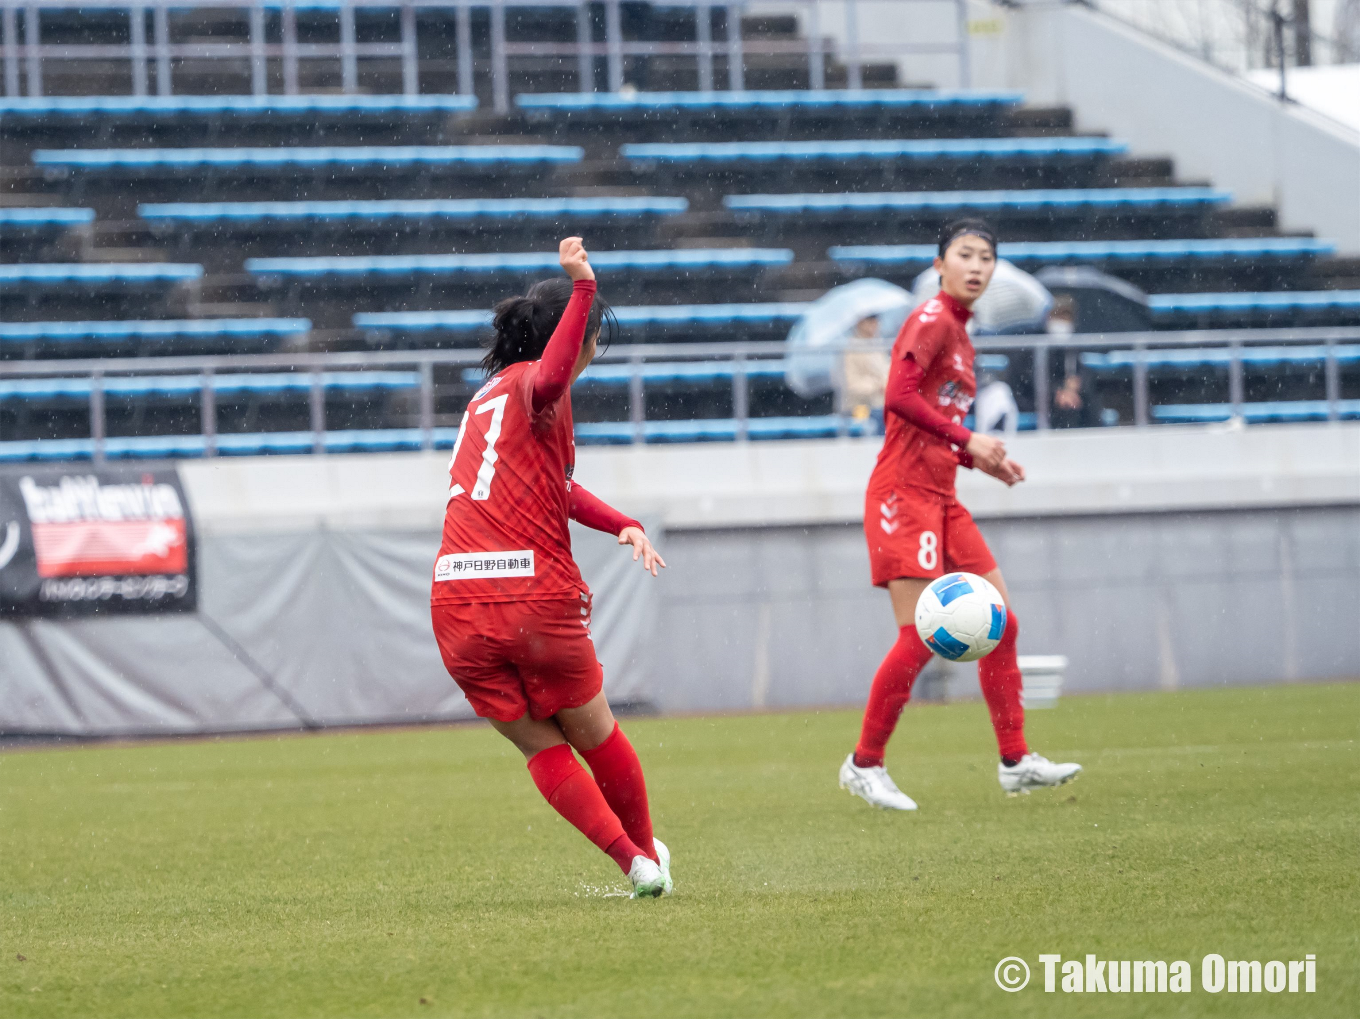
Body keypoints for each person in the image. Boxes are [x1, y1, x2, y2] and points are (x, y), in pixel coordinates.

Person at [430, 237, 673, 897]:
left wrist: (621, 520)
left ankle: (635, 862)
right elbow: (555, 373)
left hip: (454, 603)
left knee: (541, 747)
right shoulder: (542, 388)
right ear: (581, 336)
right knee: (595, 732)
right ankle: (648, 849)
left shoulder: (488, 399)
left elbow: (554, 490)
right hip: (529, 594)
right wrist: (585, 288)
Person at [839, 219, 1082, 810]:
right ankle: (863, 764)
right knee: (918, 637)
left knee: (1003, 624)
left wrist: (977, 461)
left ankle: (1015, 759)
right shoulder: (930, 319)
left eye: (986, 257)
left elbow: (929, 420)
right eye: (965, 254)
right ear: (940, 262)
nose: (977, 266)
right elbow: (896, 397)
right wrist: (970, 439)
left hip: (943, 497)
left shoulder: (963, 334)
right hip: (902, 495)